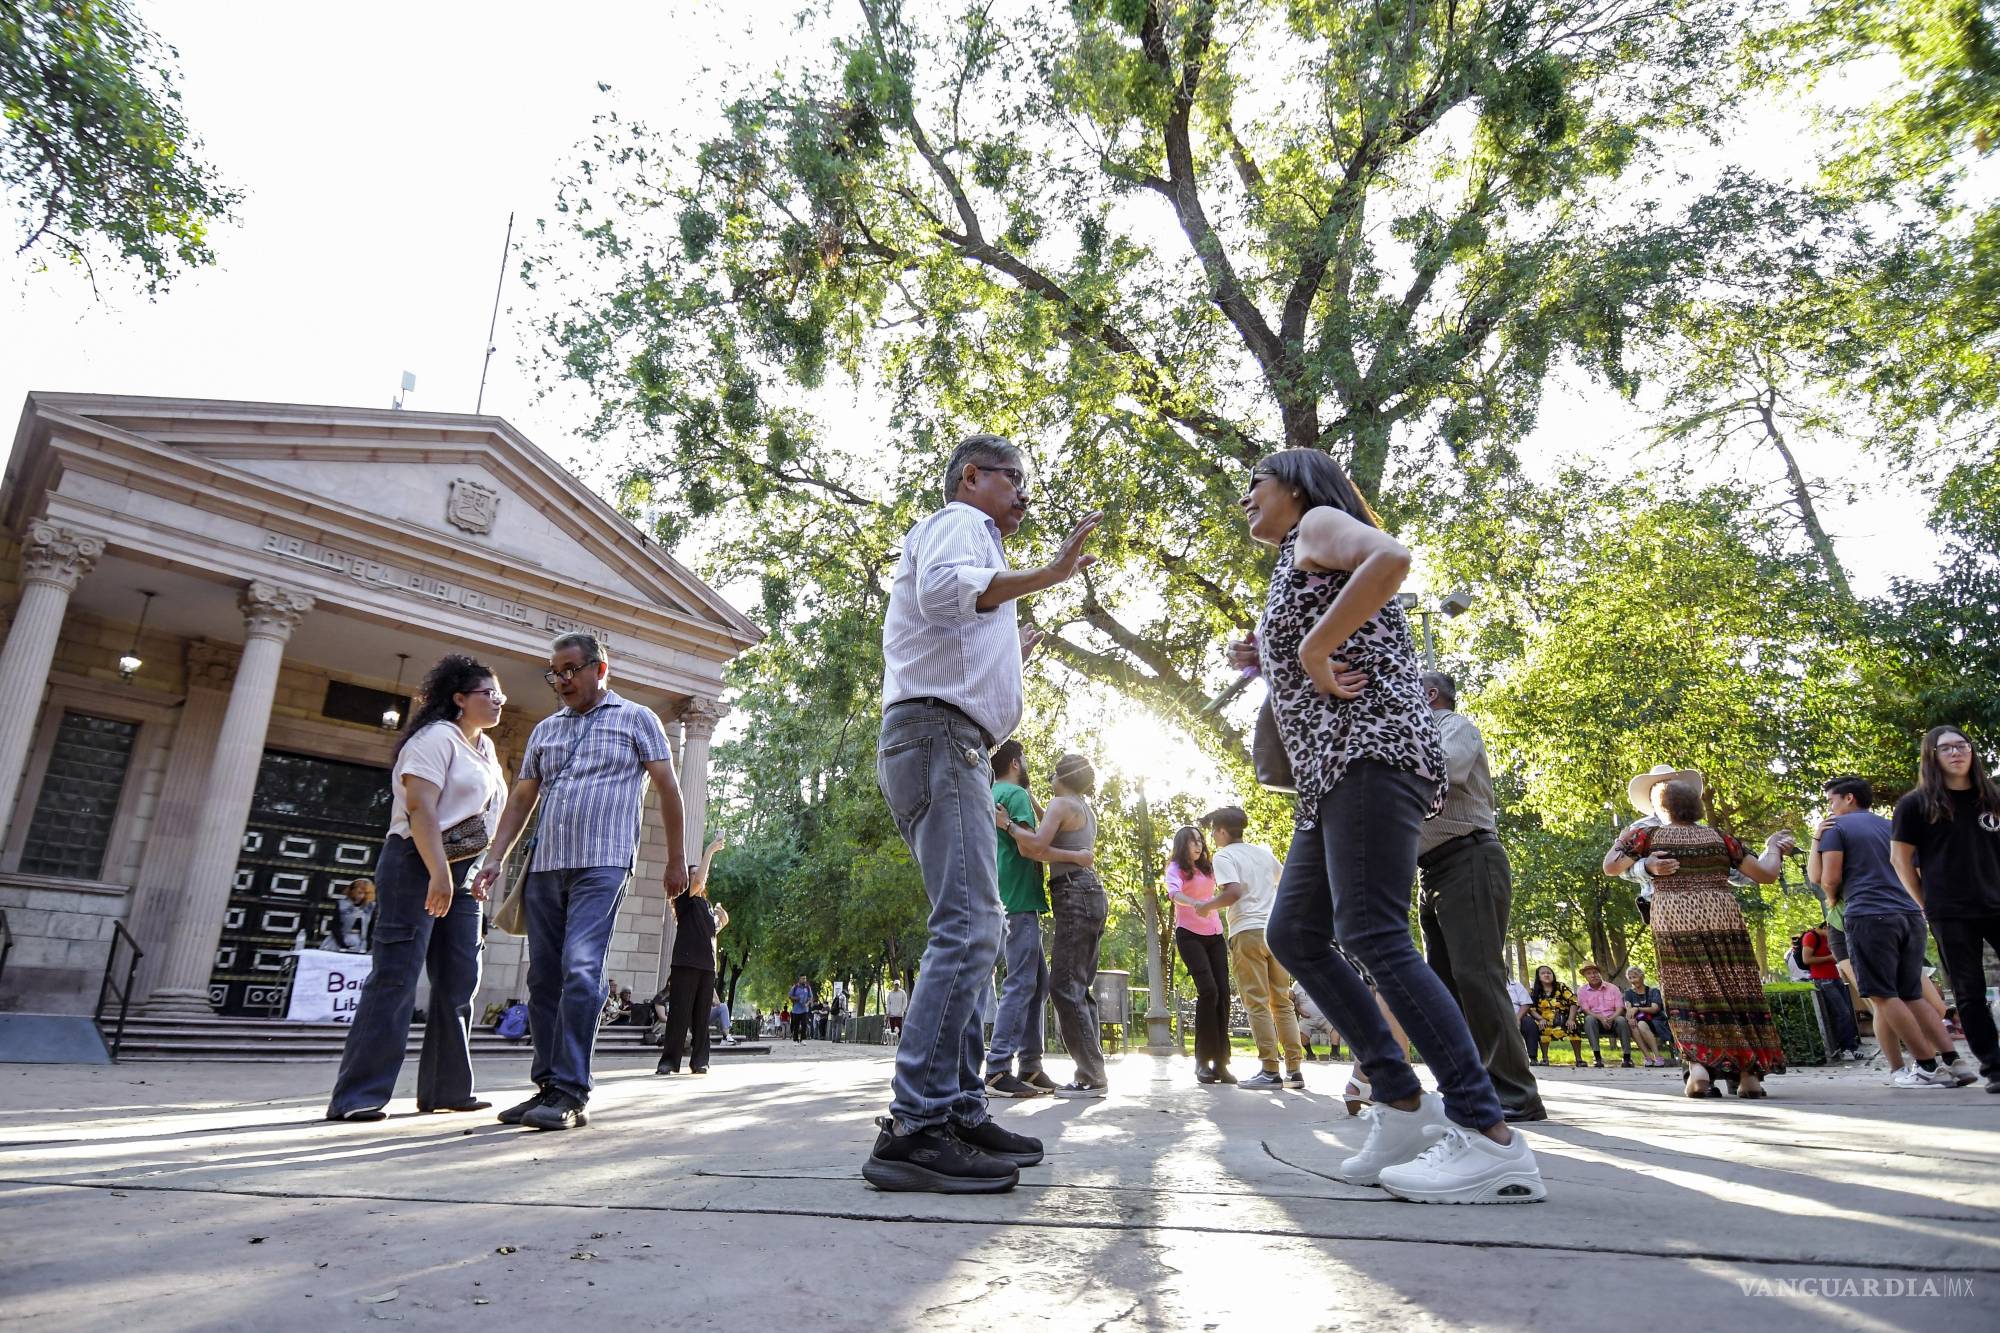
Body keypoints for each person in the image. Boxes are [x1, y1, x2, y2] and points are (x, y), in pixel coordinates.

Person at [1233, 448, 1543, 1204]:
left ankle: (1489, 1135)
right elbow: (1335, 633)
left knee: (1372, 931)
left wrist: (1306, 647)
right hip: (1333, 772)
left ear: (1297, 485)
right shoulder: (1291, 559)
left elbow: (1392, 557)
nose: (1244, 496)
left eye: (1254, 482)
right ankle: (1402, 1105)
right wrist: (1271, 655)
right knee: (1295, 934)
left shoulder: (1319, 522)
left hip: (1371, 752)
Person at [865, 433, 1100, 1193]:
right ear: (973, 477)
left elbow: (948, 622)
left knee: (973, 924)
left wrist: (1010, 640)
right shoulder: (965, 525)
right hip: (939, 736)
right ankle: (917, 1124)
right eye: (1015, 479)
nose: (1025, 496)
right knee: (971, 925)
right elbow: (941, 593)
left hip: (939, 736)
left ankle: (960, 1105)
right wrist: (1049, 575)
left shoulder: (973, 541)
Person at [473, 632, 688, 1132]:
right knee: (542, 977)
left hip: (604, 863)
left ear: (600, 669)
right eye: (555, 673)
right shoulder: (546, 730)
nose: (562, 681)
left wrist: (677, 860)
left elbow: (669, 788)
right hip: (546, 865)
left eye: (570, 670)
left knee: (581, 967)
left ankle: (572, 1090)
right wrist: (495, 857)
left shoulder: (638, 719)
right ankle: (547, 1085)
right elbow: (523, 798)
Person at [327, 655, 509, 1122]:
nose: (498, 700)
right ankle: (359, 1096)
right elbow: (421, 810)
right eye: (488, 693)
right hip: (415, 863)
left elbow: (489, 816)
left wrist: (484, 867)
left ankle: (447, 1090)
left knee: (459, 982)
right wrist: (438, 874)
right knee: (396, 977)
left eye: (500, 694)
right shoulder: (434, 739)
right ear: (459, 699)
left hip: (463, 873)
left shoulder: (485, 748)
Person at [1605, 778, 1793, 1098]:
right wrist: (1773, 847)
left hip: (1674, 920)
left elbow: (1611, 866)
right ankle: (1749, 1077)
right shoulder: (1720, 837)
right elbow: (1766, 874)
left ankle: (1699, 1072)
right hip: (1722, 916)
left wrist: (1624, 841)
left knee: (1687, 994)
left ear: (1661, 808)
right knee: (1737, 990)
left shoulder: (1648, 835)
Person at [1415, 672, 1546, 1121]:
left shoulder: (1453, 726)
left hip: (1468, 858)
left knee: (1478, 978)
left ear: (1429, 693)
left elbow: (1442, 771)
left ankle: (1515, 1095)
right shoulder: (1410, 735)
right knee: (1446, 986)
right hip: (1430, 870)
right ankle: (1470, 1088)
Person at [1812, 772, 1972, 1089]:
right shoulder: (1891, 826)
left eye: (1831, 800)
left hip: (1869, 916)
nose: (1829, 809)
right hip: (1910, 915)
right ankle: (1954, 1061)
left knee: (1882, 995)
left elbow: (1827, 879)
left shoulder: (1836, 828)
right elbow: (1915, 868)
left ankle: (1926, 1066)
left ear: (1848, 798)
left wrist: (1832, 898)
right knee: (1912, 993)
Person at [1891, 728, 2000, 1094]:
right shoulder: (1915, 805)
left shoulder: (1994, 797)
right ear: (1932, 756)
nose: (1956, 753)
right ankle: (1994, 1067)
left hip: (1997, 902)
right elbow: (1900, 860)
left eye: (1962, 746)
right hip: (1950, 910)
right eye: (1947, 748)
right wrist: (1924, 902)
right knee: (1969, 992)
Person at [999, 752, 1108, 1097]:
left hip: (1074, 892)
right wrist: (1029, 797)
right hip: (1089, 892)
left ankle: (1090, 1075)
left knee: (1063, 987)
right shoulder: (1079, 806)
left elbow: (1036, 847)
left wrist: (1009, 825)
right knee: (1078, 986)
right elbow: (1052, 827)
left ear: (1058, 776)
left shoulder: (1061, 804)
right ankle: (1092, 1068)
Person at [1199, 805, 1302, 1091]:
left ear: (1221, 830)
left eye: (1213, 832)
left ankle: (1270, 1069)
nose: (1213, 838)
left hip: (1247, 932)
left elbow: (1233, 892)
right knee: (1282, 1001)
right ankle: (1294, 1069)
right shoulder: (1262, 853)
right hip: (1276, 933)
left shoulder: (1225, 856)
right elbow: (1287, 882)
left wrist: (1207, 906)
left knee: (1256, 1002)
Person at [1165, 824, 1235, 1085]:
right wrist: (1196, 903)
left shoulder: (1209, 868)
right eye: (1192, 841)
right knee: (1209, 991)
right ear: (1182, 845)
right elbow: (1175, 894)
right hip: (1189, 935)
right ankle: (1202, 1062)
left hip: (1215, 935)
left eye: (1200, 841)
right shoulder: (1176, 869)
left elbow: (1228, 884)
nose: (1198, 845)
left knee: (1223, 993)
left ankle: (1221, 1063)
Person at [658, 838, 728, 1077]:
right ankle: (669, 1061)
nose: (701, 876)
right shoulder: (684, 898)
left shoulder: (706, 905)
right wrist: (710, 850)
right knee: (679, 1013)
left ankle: (700, 1061)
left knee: (701, 1018)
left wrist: (722, 923)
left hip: (707, 966)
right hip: (685, 962)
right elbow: (698, 881)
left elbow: (709, 932)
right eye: (695, 872)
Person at [1798, 919, 1861, 1060]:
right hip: (1823, 979)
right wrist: (1830, 958)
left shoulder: (1827, 938)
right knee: (1842, 1013)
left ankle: (1850, 1046)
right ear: (1825, 927)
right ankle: (1844, 1048)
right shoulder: (1810, 937)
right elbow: (1806, 959)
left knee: (1847, 1012)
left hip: (1834, 977)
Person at [1574, 963, 1634, 1068]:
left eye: (1595, 972)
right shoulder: (1582, 991)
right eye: (1589, 974)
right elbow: (1586, 1010)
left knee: (1621, 1020)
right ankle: (1597, 1057)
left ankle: (1627, 1057)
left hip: (1614, 1019)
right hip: (1596, 1021)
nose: (1593, 975)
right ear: (1585, 976)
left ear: (1599, 973)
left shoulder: (1612, 988)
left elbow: (1620, 1008)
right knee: (1589, 1019)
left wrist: (1611, 1018)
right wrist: (1601, 1018)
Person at [1524, 966, 1582, 1067]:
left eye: (1549, 973)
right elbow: (1531, 1009)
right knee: (1542, 1028)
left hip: (1564, 1019)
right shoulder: (1535, 991)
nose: (1546, 975)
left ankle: (1579, 1059)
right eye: (1543, 973)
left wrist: (1571, 1019)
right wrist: (1540, 1019)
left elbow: (1573, 1002)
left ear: (1553, 975)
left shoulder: (1561, 987)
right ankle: (1545, 1058)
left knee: (1573, 1026)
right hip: (1544, 1020)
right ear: (1538, 976)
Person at [1621, 966, 1672, 1066]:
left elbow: (1654, 1009)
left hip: (1655, 1021)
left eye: (1635, 977)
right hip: (1639, 1021)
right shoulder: (1628, 993)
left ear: (1642, 977)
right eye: (1630, 978)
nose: (1633, 980)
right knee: (1634, 1026)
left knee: (1641, 1024)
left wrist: (1638, 1008)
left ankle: (1657, 1057)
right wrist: (1630, 1019)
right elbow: (1629, 1008)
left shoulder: (1653, 991)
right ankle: (1647, 1058)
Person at [324, 879, 376, 954]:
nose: (361, 896)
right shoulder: (342, 904)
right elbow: (335, 926)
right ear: (352, 891)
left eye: (365, 893)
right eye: (359, 893)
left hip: (360, 942)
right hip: (339, 940)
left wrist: (369, 945)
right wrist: (341, 943)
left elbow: (371, 928)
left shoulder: (370, 907)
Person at [789, 977, 812, 1042]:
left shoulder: (807, 987)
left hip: (804, 1010)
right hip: (796, 1010)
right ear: (799, 979)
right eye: (803, 978)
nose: (804, 980)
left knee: (804, 1024)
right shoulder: (795, 987)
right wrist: (797, 998)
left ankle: (802, 1039)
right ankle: (795, 1040)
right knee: (796, 1026)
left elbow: (810, 997)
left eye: (805, 978)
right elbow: (790, 996)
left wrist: (807, 1004)